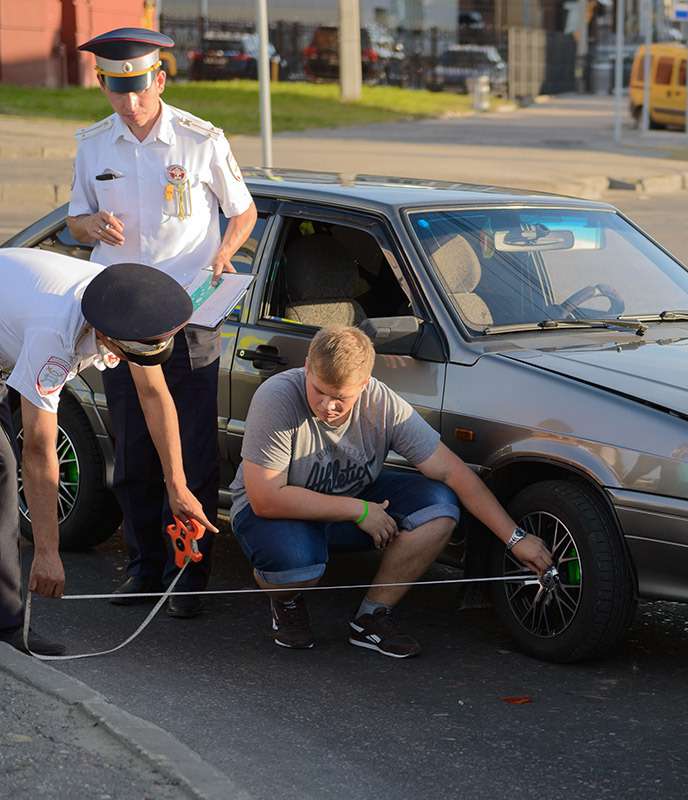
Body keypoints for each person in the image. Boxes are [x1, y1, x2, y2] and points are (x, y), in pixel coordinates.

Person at [67, 28, 257, 618]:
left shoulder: (201, 140)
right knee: (134, 447)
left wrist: (225, 251)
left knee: (193, 450)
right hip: (122, 314)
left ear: (161, 79)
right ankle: (144, 566)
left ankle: (189, 573)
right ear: (102, 84)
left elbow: (244, 211)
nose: (129, 102)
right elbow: (75, 219)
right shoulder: (93, 144)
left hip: (188, 312)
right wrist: (91, 227)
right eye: (116, 89)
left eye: (140, 88)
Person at [229, 326, 554, 658]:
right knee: (296, 566)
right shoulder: (277, 396)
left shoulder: (382, 403)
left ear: (364, 385)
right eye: (319, 391)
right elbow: (266, 499)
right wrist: (359, 510)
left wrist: (515, 538)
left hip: (350, 501)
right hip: (275, 512)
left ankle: (371, 617)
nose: (328, 406)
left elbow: (452, 471)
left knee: (440, 509)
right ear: (307, 367)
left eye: (341, 398)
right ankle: (286, 599)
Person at [0, 251, 218, 655]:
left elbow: (154, 396)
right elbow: (39, 449)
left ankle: (7, 624)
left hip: (10, 331)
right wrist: (47, 552)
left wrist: (178, 485)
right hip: (18, 332)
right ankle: (9, 621)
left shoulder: (124, 309)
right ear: (105, 337)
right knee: (4, 464)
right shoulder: (54, 338)